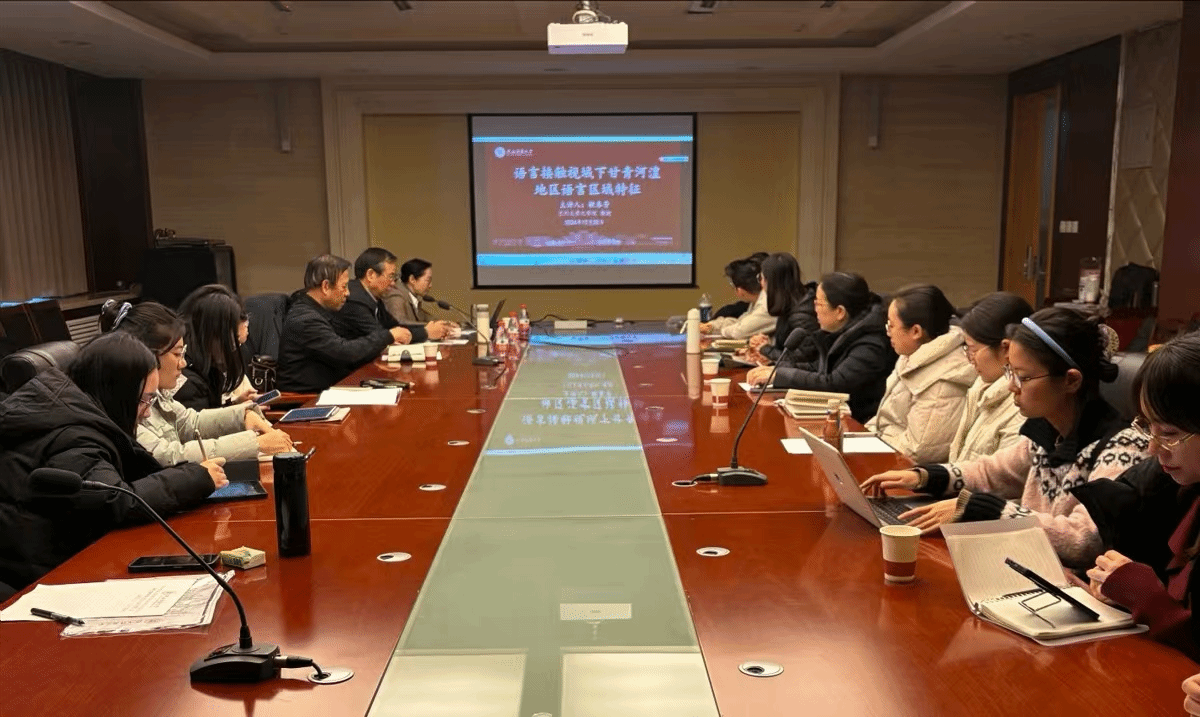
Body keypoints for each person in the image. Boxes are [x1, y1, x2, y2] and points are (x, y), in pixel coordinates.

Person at [862, 308, 1150, 568]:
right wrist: (925, 476)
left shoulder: (1123, 447)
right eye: (1010, 371)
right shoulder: (1049, 434)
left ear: (1071, 380)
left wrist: (988, 510)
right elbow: (991, 472)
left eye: (1023, 377)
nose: (1011, 386)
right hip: (1031, 567)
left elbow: (1082, 540)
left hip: (1074, 589)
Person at [0, 332, 225, 591]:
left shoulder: (74, 411)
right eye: (145, 400)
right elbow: (115, 500)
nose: (147, 413)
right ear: (117, 393)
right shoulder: (72, 435)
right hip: (38, 578)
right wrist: (196, 477)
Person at [1070, 331, 1200, 660]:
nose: (1154, 449)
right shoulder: (1183, 491)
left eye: (1169, 433)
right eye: (1147, 427)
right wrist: (1122, 587)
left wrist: (1146, 598)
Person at [103, 300, 293, 465]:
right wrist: (254, 443)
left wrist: (242, 416)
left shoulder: (156, 391)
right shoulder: (123, 405)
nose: (183, 363)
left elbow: (189, 422)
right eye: (177, 354)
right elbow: (168, 455)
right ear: (148, 356)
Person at [748, 272, 893, 423]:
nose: (814, 309)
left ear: (840, 312)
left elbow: (835, 383)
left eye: (818, 303)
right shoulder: (843, 332)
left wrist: (781, 375)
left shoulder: (870, 343)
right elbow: (819, 367)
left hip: (858, 424)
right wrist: (776, 370)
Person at [865, 284, 976, 464]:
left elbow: (919, 450)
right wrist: (859, 435)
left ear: (916, 331)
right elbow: (885, 418)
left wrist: (871, 442)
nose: (888, 333)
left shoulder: (945, 378)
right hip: (887, 451)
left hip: (911, 470)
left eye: (891, 326)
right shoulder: (911, 356)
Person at [277, 254, 409, 392]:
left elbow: (346, 348)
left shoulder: (320, 311)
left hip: (332, 389)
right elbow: (346, 353)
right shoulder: (306, 319)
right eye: (344, 286)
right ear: (326, 286)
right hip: (309, 399)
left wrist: (377, 352)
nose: (348, 293)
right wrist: (388, 336)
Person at [948, 292, 1033, 462]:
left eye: (973, 349)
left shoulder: (1024, 405)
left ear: (1006, 348)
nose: (969, 359)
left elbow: (1002, 474)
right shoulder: (981, 387)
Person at [332, 248, 451, 345]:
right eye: (390, 276)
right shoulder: (354, 299)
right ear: (371, 275)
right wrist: (426, 332)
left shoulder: (375, 297)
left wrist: (430, 329)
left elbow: (395, 326)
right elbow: (381, 336)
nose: (393, 283)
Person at [174, 285, 254, 410]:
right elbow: (200, 420)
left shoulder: (206, 368)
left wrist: (235, 404)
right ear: (212, 335)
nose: (234, 350)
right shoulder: (187, 383)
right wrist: (237, 414)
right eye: (233, 343)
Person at [743, 252, 819, 364]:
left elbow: (802, 360)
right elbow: (788, 349)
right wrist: (768, 344)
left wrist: (765, 349)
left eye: (761, 278)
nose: (761, 283)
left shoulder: (802, 315)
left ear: (770, 282)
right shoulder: (792, 302)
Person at [699, 257, 775, 340]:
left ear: (739, 290)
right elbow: (741, 322)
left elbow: (740, 331)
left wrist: (721, 331)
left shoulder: (768, 304)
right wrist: (710, 326)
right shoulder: (759, 300)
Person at [384, 257, 439, 326]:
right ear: (412, 279)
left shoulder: (412, 298)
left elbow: (426, 318)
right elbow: (399, 323)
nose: (430, 285)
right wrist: (432, 327)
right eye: (428, 280)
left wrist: (444, 324)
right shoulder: (396, 296)